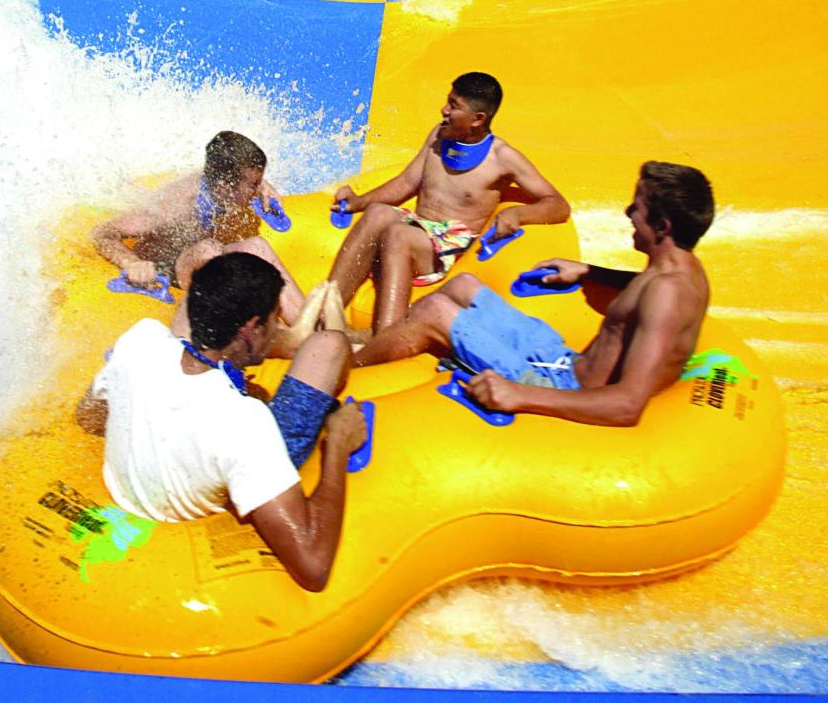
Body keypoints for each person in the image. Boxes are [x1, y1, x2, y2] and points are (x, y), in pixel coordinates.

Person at [77, 253, 366, 591]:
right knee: (329, 344)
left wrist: (154, 419)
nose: (275, 329)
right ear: (251, 328)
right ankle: (316, 336)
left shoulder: (141, 340)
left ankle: (285, 340)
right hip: (232, 460)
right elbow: (313, 568)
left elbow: (88, 414)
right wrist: (337, 448)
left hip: (197, 446)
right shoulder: (246, 424)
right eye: (274, 321)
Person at [354, 162, 714, 428]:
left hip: (562, 385)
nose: (628, 212)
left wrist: (519, 394)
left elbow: (626, 405)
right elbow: (649, 288)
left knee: (435, 310)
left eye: (638, 207)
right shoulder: (682, 270)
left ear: (663, 227)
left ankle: (348, 367)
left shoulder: (667, 295)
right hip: (562, 360)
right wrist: (591, 271)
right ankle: (382, 341)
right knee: (463, 287)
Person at [327, 72, 569, 333]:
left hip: (448, 246)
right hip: (419, 228)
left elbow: (558, 204)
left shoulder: (502, 158)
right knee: (376, 213)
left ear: (478, 119)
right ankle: (324, 314)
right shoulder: (439, 136)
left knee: (399, 234)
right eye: (448, 101)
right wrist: (358, 202)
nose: (444, 110)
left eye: (454, 105)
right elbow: (406, 183)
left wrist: (518, 214)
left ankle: (386, 335)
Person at [92, 130, 305, 325]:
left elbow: (239, 183)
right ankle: (264, 330)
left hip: (202, 264)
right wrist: (132, 263)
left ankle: (305, 325)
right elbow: (103, 232)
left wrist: (262, 186)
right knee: (209, 250)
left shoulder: (223, 186)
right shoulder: (174, 206)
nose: (260, 189)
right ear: (224, 186)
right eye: (254, 184)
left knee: (257, 246)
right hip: (168, 269)